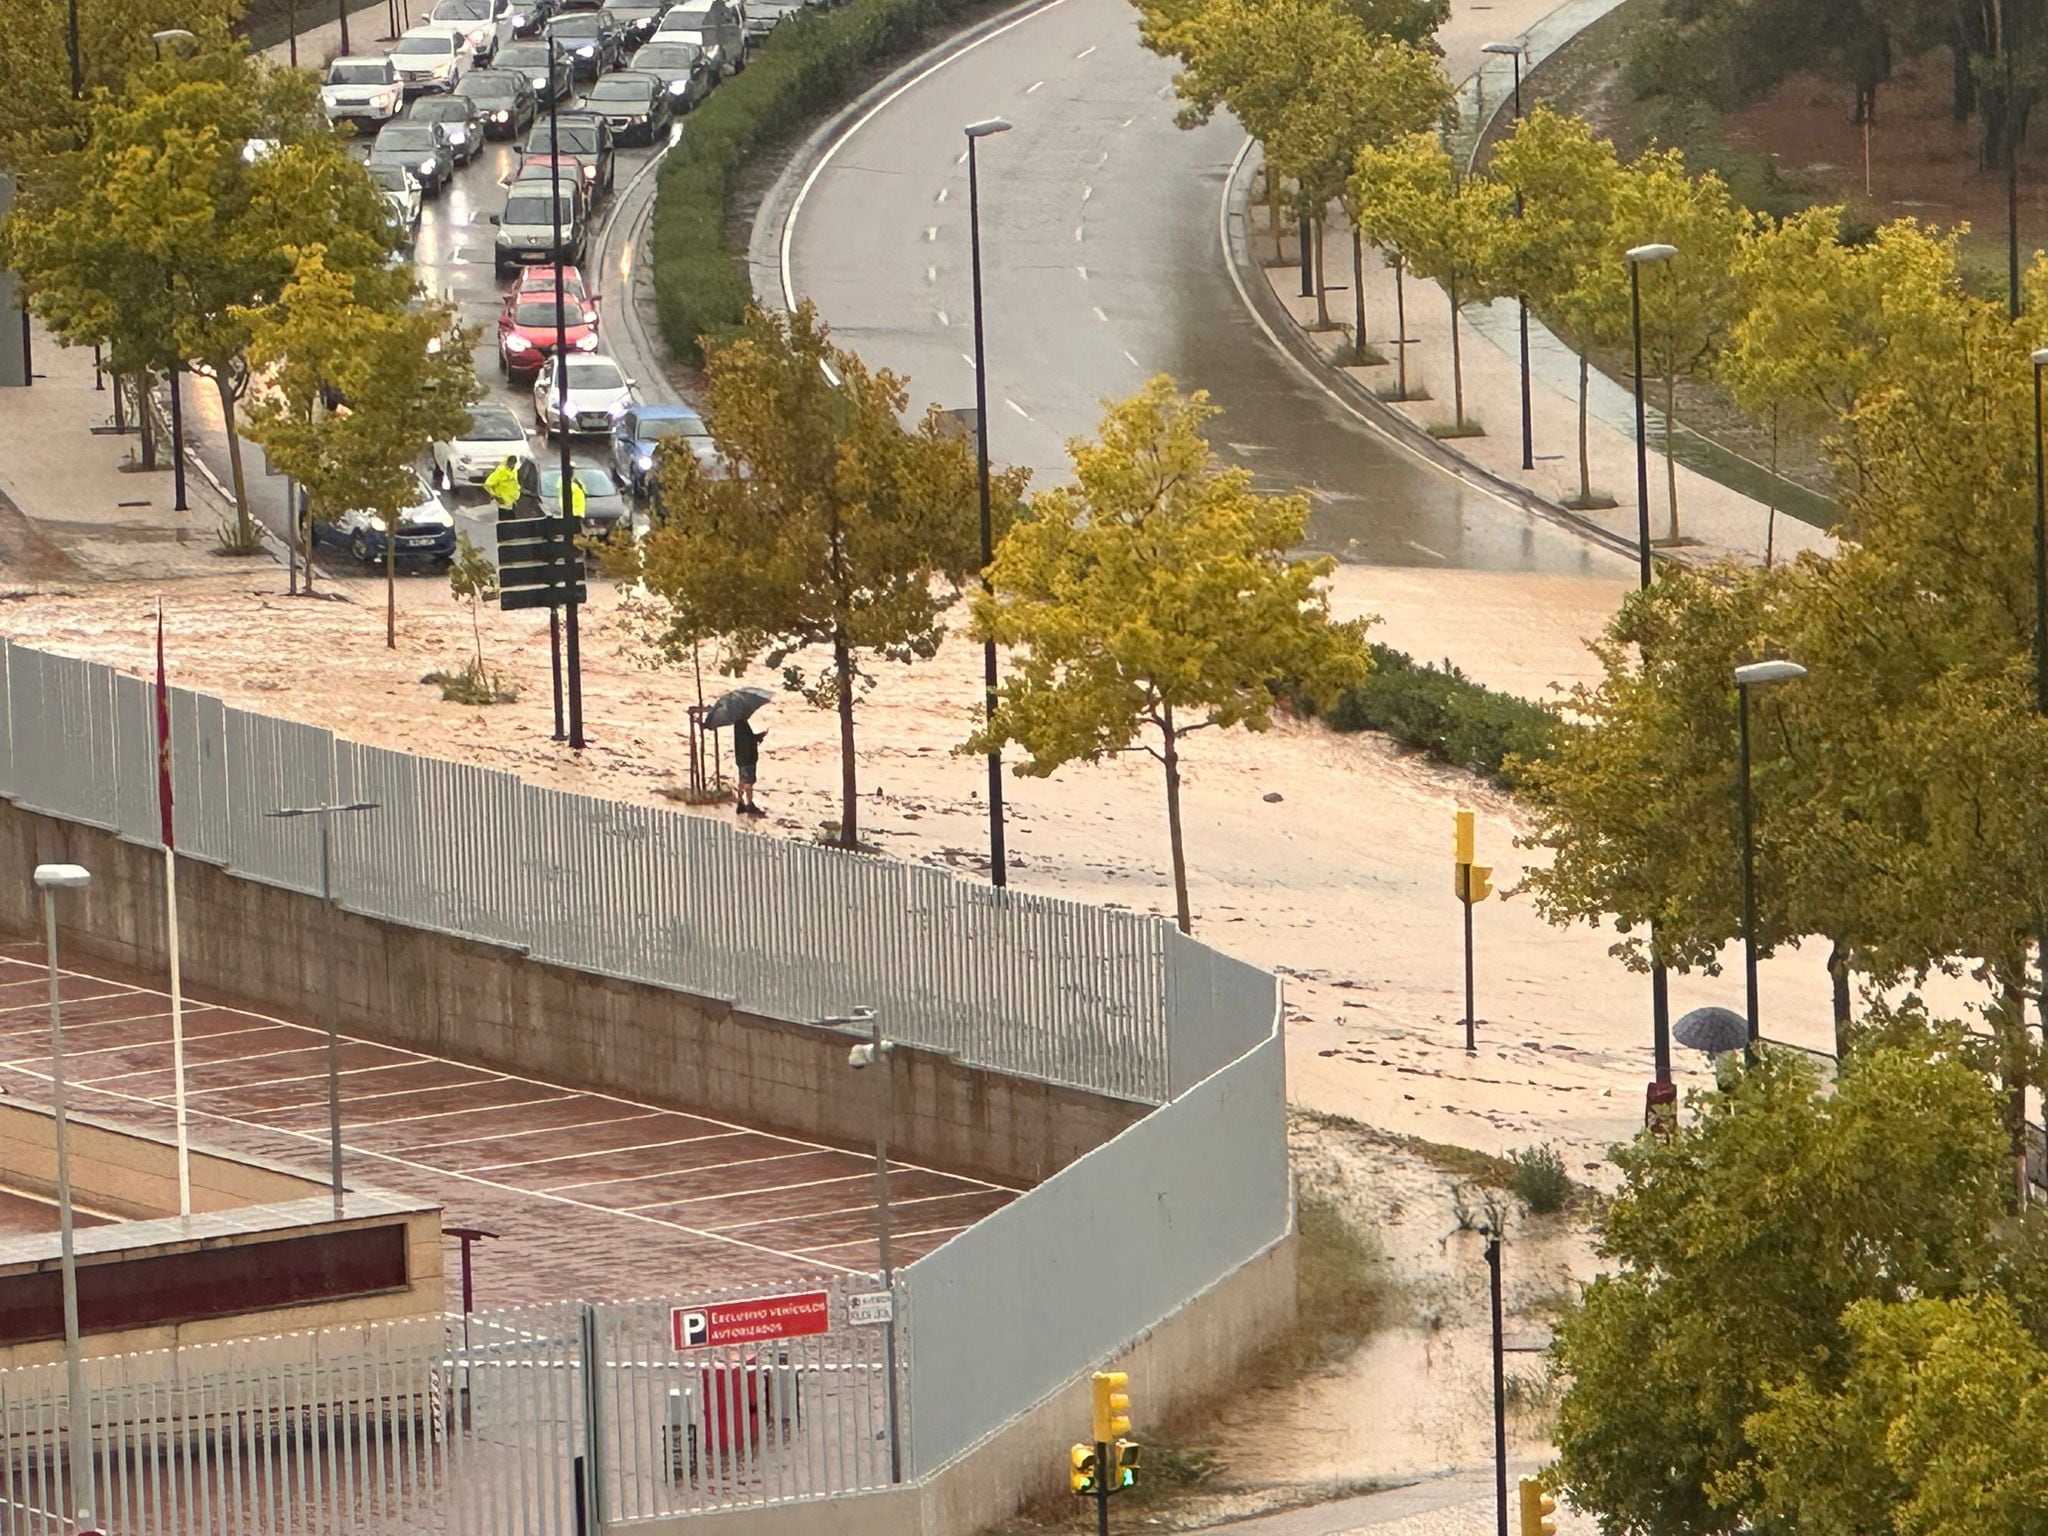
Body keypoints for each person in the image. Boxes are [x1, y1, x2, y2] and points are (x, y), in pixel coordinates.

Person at [731, 716, 764, 817]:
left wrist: (756, 737)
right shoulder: (742, 725)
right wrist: (758, 737)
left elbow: (747, 739)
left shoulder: (738, 724)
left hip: (742, 759)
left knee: (742, 780)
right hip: (747, 759)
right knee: (748, 783)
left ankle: (740, 803)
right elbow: (748, 740)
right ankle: (749, 804)